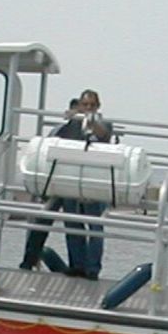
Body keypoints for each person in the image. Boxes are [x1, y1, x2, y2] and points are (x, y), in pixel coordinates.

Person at [19, 98, 79, 270]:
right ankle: (29, 260)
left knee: (73, 227)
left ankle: (76, 266)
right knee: (41, 223)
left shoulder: (88, 133)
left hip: (74, 187)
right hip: (56, 185)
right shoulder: (58, 131)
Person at [62, 89, 111, 279]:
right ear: (79, 105)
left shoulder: (104, 123)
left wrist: (91, 122)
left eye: (92, 105)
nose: (88, 108)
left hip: (94, 183)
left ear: (98, 106)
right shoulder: (72, 125)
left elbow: (104, 134)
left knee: (95, 227)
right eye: (85, 105)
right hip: (72, 179)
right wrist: (70, 119)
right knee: (73, 225)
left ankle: (92, 269)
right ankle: (77, 265)